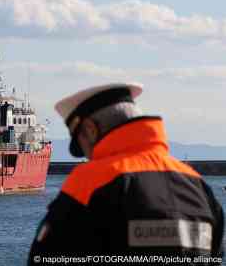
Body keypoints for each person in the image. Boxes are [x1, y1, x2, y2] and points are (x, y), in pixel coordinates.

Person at [28, 83, 224, 265]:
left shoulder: (92, 180)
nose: (88, 156)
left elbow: (44, 257)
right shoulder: (199, 187)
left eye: (81, 144)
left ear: (90, 129)